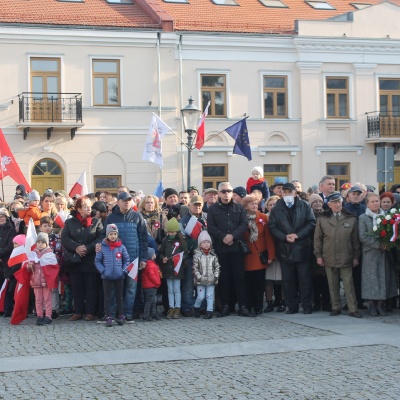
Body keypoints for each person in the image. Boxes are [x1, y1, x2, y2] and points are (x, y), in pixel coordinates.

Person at [269, 182, 315, 314]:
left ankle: (307, 305)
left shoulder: (304, 205)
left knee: (304, 280)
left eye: (290, 192)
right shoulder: (277, 208)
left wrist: (298, 235)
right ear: (281, 193)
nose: (287, 194)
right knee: (288, 281)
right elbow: (272, 226)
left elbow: (311, 222)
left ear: (295, 193)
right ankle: (292, 306)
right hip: (285, 249)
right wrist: (284, 237)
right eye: (285, 192)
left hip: (302, 248)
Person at [207, 182, 252, 317]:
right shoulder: (213, 209)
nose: (226, 193)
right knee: (224, 278)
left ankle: (242, 306)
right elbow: (211, 227)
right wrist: (223, 237)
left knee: (239, 278)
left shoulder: (239, 208)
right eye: (223, 191)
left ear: (232, 193)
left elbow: (244, 224)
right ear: (219, 194)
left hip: (237, 247)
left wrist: (232, 236)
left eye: (229, 191)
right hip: (221, 248)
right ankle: (226, 305)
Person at [101, 191, 148, 322]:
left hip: (133, 259)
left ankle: (127, 312)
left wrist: (143, 258)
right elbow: (103, 237)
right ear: (118, 202)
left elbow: (143, 239)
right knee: (115, 289)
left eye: (129, 200)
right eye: (124, 200)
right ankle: (113, 313)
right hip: (116, 260)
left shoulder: (138, 217)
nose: (127, 202)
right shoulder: (111, 218)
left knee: (131, 288)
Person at [314, 192, 362, 318]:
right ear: (329, 204)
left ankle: (353, 308)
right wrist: (318, 255)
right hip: (329, 255)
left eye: (339, 202)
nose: (337, 204)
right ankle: (335, 307)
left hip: (347, 255)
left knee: (348, 284)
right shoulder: (322, 218)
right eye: (334, 202)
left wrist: (356, 256)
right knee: (332, 284)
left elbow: (355, 240)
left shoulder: (350, 218)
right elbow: (317, 239)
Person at [61, 197, 103, 321]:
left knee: (91, 286)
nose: (89, 209)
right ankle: (77, 311)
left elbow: (100, 238)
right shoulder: (70, 222)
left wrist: (87, 247)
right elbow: (65, 238)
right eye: (86, 207)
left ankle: (90, 312)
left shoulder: (96, 222)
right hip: (75, 259)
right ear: (79, 209)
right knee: (76, 286)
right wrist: (76, 247)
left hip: (90, 259)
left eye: (90, 206)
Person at [358, 193, 398, 316]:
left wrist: (387, 244)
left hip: (384, 253)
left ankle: (381, 304)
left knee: (383, 278)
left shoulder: (386, 216)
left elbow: (391, 232)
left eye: (377, 201)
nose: (375, 203)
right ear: (367, 204)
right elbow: (363, 236)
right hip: (370, 253)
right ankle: (372, 304)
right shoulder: (363, 217)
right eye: (372, 201)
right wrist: (378, 245)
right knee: (371, 279)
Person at [241, 195, 275, 315]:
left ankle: (258, 306)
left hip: (259, 255)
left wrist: (271, 255)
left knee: (259, 283)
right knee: (247, 283)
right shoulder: (241, 219)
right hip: (246, 255)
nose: (255, 206)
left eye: (256, 204)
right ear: (245, 206)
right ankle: (248, 306)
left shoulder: (263, 217)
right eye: (252, 204)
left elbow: (268, 238)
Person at [95, 224, 130, 327]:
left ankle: (121, 315)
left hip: (119, 276)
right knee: (107, 297)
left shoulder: (121, 247)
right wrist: (103, 271)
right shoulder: (102, 247)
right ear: (107, 235)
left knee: (120, 297)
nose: (113, 236)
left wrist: (124, 271)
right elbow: (97, 261)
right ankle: (109, 316)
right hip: (107, 276)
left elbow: (126, 260)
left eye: (115, 234)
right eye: (111, 234)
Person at [179, 195, 208, 316]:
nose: (197, 207)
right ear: (190, 205)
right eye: (195, 204)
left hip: (205, 255)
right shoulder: (183, 221)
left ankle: (202, 307)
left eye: (199, 205)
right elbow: (182, 239)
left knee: (203, 283)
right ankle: (187, 307)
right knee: (188, 284)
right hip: (189, 256)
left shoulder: (207, 219)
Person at [27, 232, 60, 325]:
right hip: (36, 281)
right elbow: (28, 268)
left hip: (46, 281)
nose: (40, 244)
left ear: (46, 244)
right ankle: (39, 316)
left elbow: (54, 268)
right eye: (38, 242)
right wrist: (30, 265)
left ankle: (48, 316)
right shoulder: (33, 254)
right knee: (38, 300)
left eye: (42, 242)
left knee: (47, 299)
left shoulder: (50, 255)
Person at [159, 217, 188, 319]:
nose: (170, 234)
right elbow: (161, 252)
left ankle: (177, 307)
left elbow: (185, 253)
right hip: (167, 268)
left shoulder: (181, 240)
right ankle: (171, 307)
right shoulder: (165, 240)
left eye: (172, 232)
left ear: (176, 231)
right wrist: (163, 258)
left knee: (176, 289)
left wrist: (179, 259)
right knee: (169, 289)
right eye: (169, 232)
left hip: (177, 268)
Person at [308, 194, 330, 312]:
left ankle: (326, 303)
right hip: (312, 252)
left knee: (326, 279)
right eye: (315, 202)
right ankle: (316, 302)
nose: (317, 203)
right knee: (314, 280)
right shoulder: (308, 215)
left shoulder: (327, 214)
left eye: (320, 201)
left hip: (326, 250)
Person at [264, 196, 285, 313]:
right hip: (268, 253)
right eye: (270, 204)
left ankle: (282, 301)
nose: (273, 207)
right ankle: (269, 302)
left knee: (282, 279)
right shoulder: (264, 218)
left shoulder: (283, 216)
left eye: (275, 204)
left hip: (281, 251)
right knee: (268, 279)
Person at [193, 230, 221, 319]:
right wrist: (199, 277)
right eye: (204, 242)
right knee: (201, 296)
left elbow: (217, 267)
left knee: (210, 296)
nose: (206, 244)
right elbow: (195, 268)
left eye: (208, 242)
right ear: (200, 244)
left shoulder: (213, 255)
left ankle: (209, 311)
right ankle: (196, 307)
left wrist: (216, 276)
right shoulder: (197, 256)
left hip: (211, 280)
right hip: (200, 281)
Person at [39, 216, 62, 319]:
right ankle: (43, 308)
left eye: (49, 225)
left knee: (53, 288)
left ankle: (54, 308)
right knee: (42, 287)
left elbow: (59, 250)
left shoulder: (56, 237)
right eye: (45, 226)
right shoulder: (38, 238)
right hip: (41, 267)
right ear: (40, 227)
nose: (47, 228)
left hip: (52, 265)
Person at [3, 235, 25, 318]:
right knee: (11, 293)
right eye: (14, 243)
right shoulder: (14, 252)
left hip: (17, 276)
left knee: (13, 293)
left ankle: (13, 310)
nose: (14, 245)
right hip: (13, 276)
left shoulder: (21, 253)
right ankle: (9, 310)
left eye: (16, 243)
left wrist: (9, 275)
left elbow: (16, 266)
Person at [141, 247, 161, 321]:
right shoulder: (151, 265)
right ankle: (146, 315)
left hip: (148, 286)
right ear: (152, 255)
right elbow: (152, 276)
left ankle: (153, 314)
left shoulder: (149, 264)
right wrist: (157, 282)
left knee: (152, 301)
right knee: (149, 301)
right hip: (151, 286)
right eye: (154, 253)